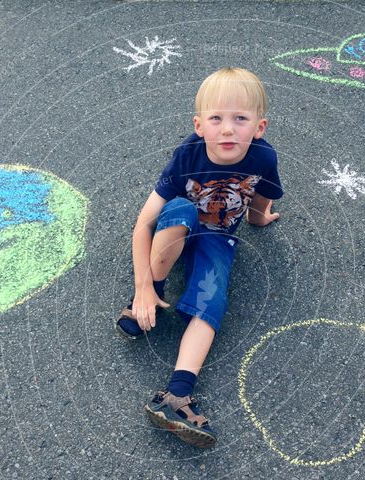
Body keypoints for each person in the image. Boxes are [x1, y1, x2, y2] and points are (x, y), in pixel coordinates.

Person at [115, 67, 283, 449]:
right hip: (177, 230)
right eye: (217, 119)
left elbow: (260, 198)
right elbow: (143, 226)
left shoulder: (263, 157)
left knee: (212, 302)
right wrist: (142, 287)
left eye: (240, 119)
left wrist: (260, 219)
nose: (228, 129)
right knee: (181, 210)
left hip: (219, 236)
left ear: (259, 126)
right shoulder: (186, 156)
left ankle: (176, 394)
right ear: (199, 125)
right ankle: (151, 295)